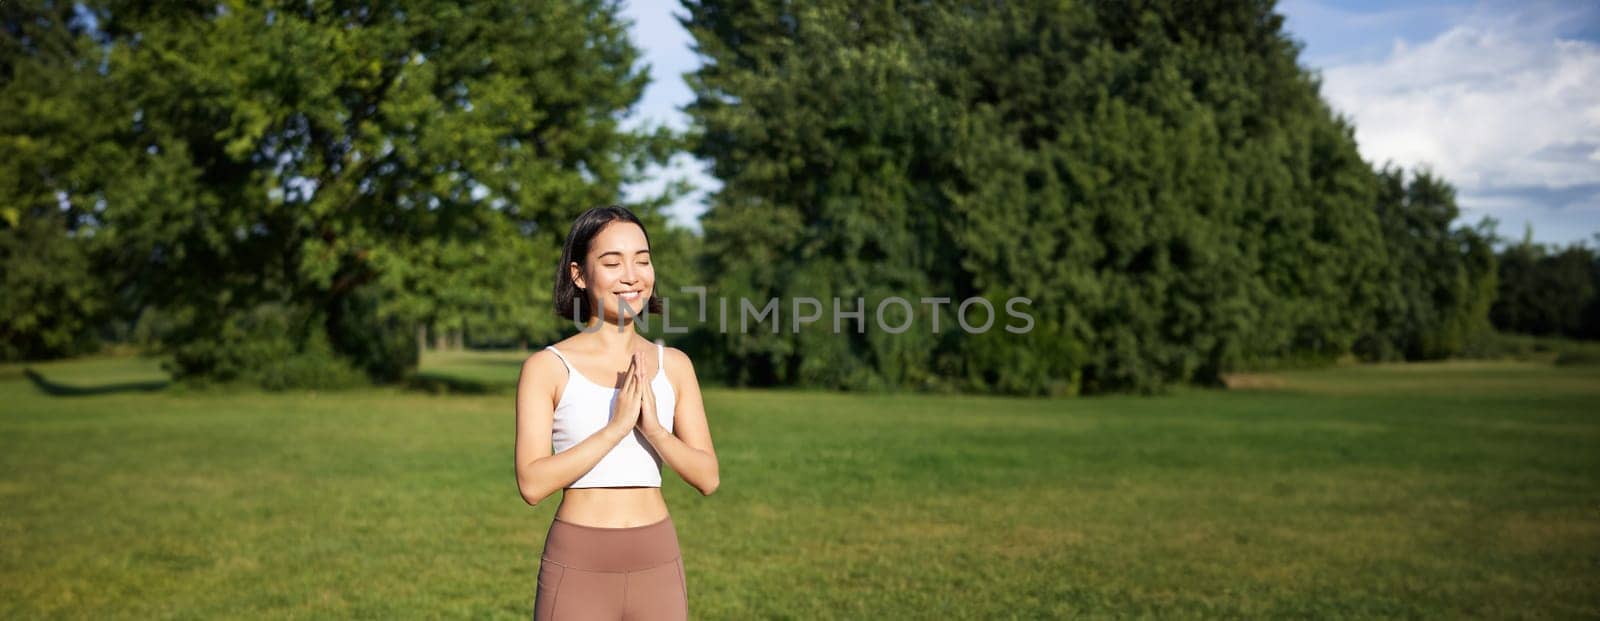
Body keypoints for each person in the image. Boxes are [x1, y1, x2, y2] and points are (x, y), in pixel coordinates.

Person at [514, 205, 720, 620]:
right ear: (579, 274)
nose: (632, 275)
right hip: (578, 562)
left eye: (642, 260)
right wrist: (616, 428)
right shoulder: (548, 367)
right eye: (612, 262)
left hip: (657, 558)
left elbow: (708, 477)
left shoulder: (675, 364)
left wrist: (656, 431)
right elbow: (532, 484)